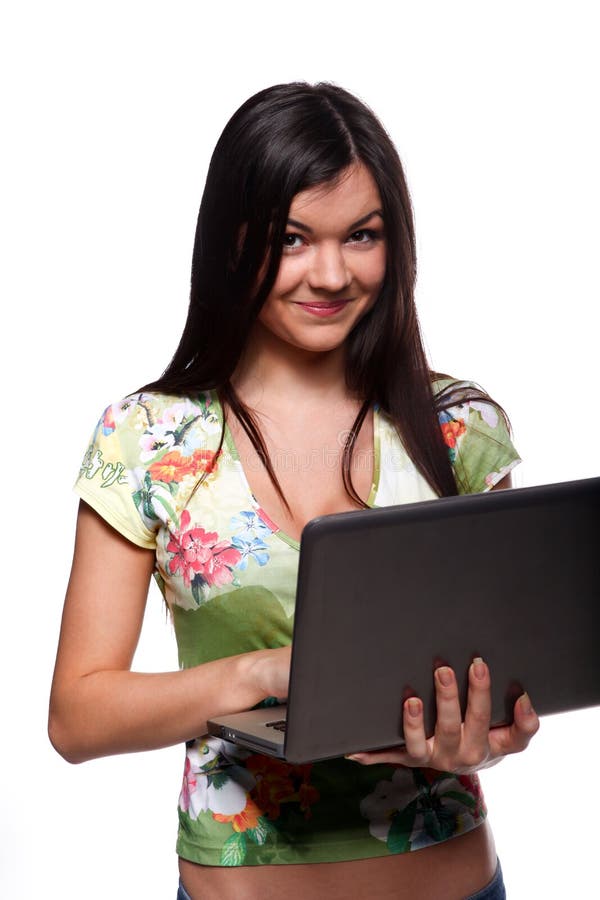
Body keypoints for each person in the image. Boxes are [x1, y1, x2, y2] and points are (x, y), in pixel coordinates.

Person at [49, 82, 539, 900]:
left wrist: (482, 740)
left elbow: (500, 687)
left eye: (362, 236)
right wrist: (258, 676)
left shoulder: (459, 427)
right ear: (233, 243)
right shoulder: (147, 438)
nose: (332, 272)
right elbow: (77, 716)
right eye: (293, 239)